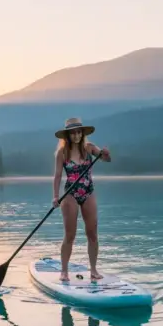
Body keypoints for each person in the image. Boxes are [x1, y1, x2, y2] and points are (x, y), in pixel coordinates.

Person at [52, 117, 111, 282]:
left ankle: (93, 270)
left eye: (79, 132)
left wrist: (105, 154)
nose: (76, 135)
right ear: (68, 135)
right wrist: (55, 197)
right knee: (70, 235)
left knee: (92, 234)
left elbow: (106, 158)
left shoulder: (89, 148)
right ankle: (64, 271)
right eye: (73, 133)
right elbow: (57, 176)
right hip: (70, 194)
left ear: (82, 133)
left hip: (88, 191)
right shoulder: (61, 153)